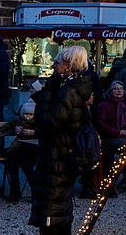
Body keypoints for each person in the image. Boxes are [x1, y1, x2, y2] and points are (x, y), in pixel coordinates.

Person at [30, 46, 94, 235]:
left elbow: (48, 122)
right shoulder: (71, 89)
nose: (53, 65)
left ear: (68, 65)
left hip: (57, 156)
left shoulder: (68, 92)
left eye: (57, 62)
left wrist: (44, 94)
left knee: (51, 207)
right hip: (60, 154)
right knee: (59, 206)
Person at [94, 81, 126, 189]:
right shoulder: (104, 105)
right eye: (116, 89)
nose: (119, 91)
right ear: (110, 91)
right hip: (110, 137)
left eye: (121, 88)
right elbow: (102, 125)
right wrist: (119, 132)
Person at [0, 101, 39, 204]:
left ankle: (15, 193)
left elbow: (47, 131)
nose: (28, 116)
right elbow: (13, 124)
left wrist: (34, 132)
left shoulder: (39, 118)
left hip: (34, 147)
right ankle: (27, 192)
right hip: (21, 146)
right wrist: (16, 129)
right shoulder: (21, 118)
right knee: (14, 156)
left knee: (18, 158)